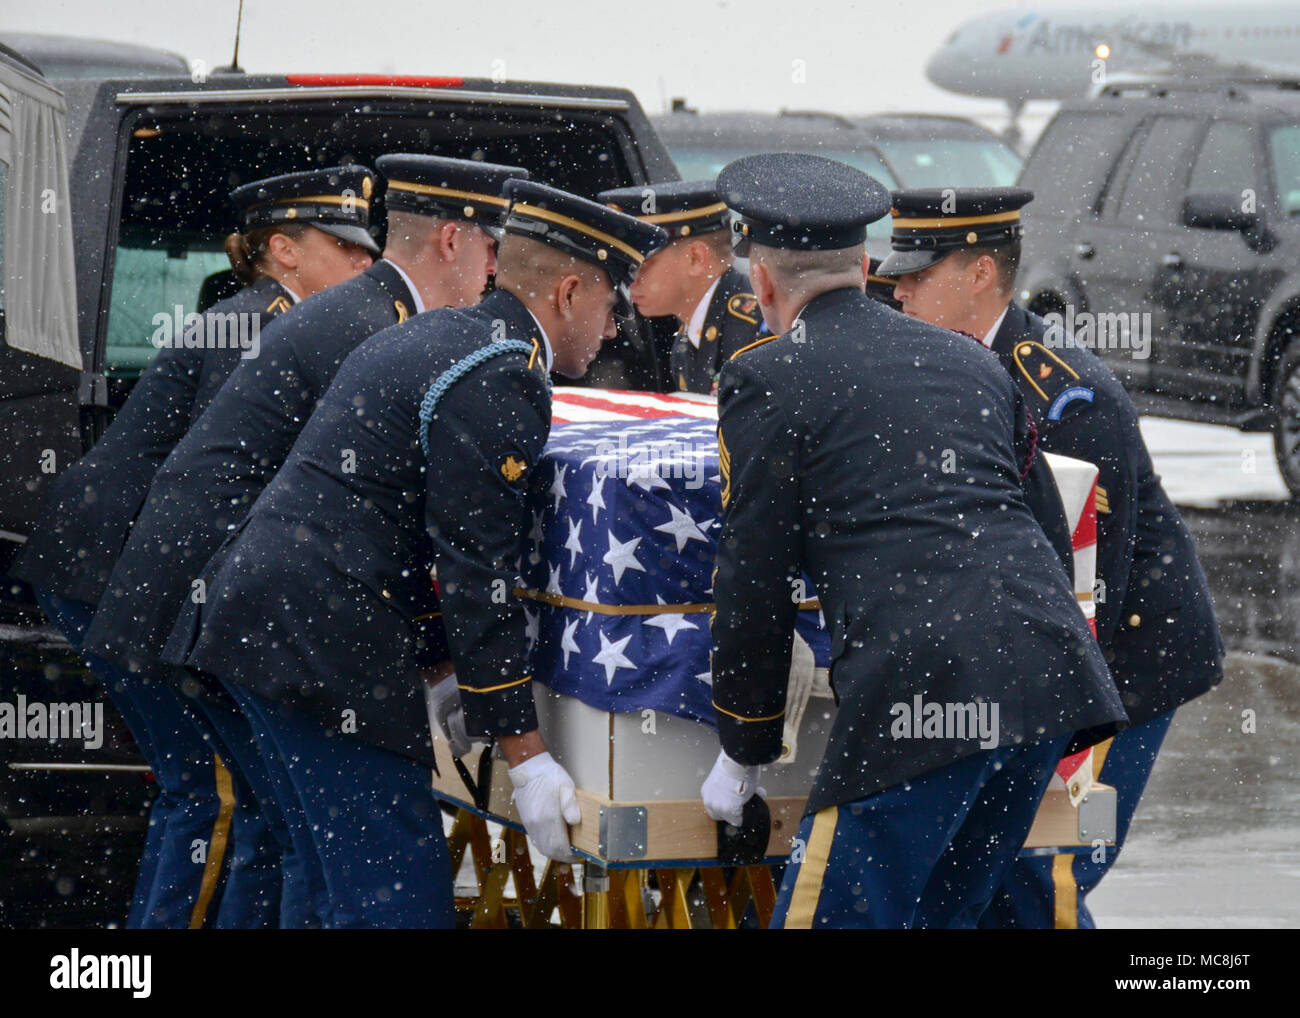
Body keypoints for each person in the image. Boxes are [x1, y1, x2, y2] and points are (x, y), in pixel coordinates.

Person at [162, 180, 669, 927]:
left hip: (265, 624)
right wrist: (525, 753)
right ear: (567, 291)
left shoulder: (439, 336)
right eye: (610, 304)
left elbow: (394, 519)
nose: (615, 329)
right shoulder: (500, 374)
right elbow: (476, 568)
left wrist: (443, 674)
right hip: (320, 647)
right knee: (395, 904)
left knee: (324, 884)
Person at [78, 154, 525, 928]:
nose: (497, 273)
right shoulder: (374, 328)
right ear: (452, 241)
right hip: (228, 602)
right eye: (493, 249)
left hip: (217, 595)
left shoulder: (362, 317)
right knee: (280, 832)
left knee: (285, 833)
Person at [700, 153, 1128, 929]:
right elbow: (1043, 529)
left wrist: (747, 743)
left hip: (922, 689)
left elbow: (753, 576)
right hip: (1047, 677)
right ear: (864, 266)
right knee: (944, 916)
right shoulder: (973, 361)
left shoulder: (767, 377)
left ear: (761, 282)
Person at [7, 165, 376, 929]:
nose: (366, 263)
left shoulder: (250, 317)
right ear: (284, 250)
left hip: (101, 562)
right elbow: (217, 491)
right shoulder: (269, 327)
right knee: (215, 794)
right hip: (119, 569)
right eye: (345, 246)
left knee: (211, 791)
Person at [878, 186, 1225, 929]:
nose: (897, 288)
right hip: (1022, 655)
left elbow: (1093, 582)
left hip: (1123, 661)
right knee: (985, 872)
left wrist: (1052, 734)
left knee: (1039, 870)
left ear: (978, 276)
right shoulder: (934, 365)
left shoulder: (1063, 396)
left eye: (917, 272)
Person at [598, 180, 769, 393]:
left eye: (639, 265)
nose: (629, 280)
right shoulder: (688, 338)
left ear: (696, 258)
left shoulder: (757, 331)